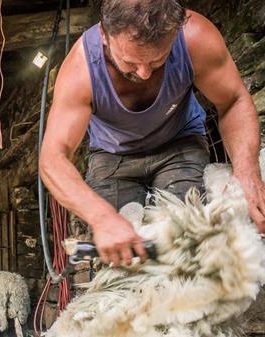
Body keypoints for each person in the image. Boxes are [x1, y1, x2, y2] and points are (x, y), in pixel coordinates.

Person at [39, 0, 265, 267]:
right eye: (130, 62)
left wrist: (247, 174)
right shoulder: (81, 70)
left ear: (177, 31)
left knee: (185, 242)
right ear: (104, 35)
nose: (145, 73)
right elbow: (53, 158)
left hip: (178, 141)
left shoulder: (195, 38)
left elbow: (233, 101)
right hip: (113, 155)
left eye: (159, 59)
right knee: (121, 263)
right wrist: (102, 218)